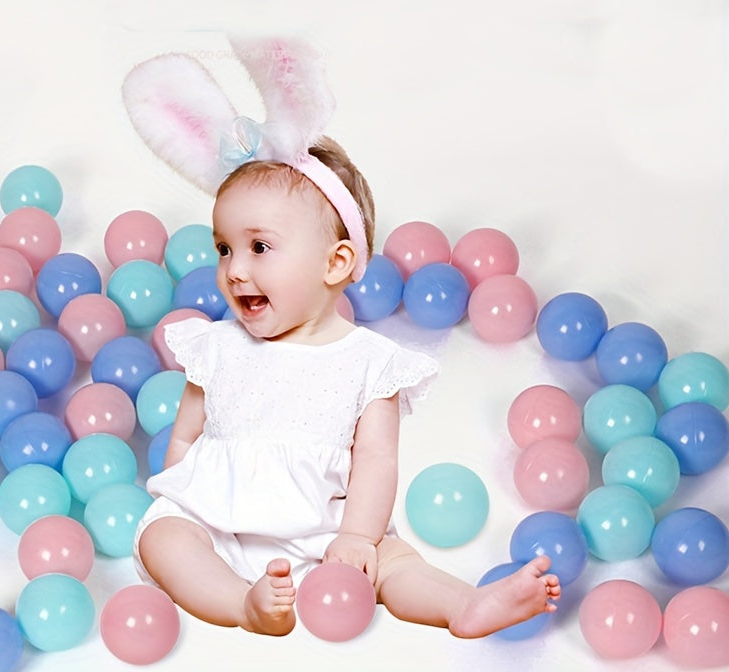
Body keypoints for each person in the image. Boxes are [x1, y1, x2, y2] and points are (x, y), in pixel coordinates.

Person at [132, 135, 561, 638]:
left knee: (392, 560)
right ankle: (241, 604)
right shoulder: (216, 345)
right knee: (164, 537)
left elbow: (377, 459)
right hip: (219, 521)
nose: (235, 270)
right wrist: (183, 498)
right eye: (224, 248)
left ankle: (463, 604)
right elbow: (185, 436)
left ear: (335, 263)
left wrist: (358, 536)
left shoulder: (369, 362)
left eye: (259, 247)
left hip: (328, 531)